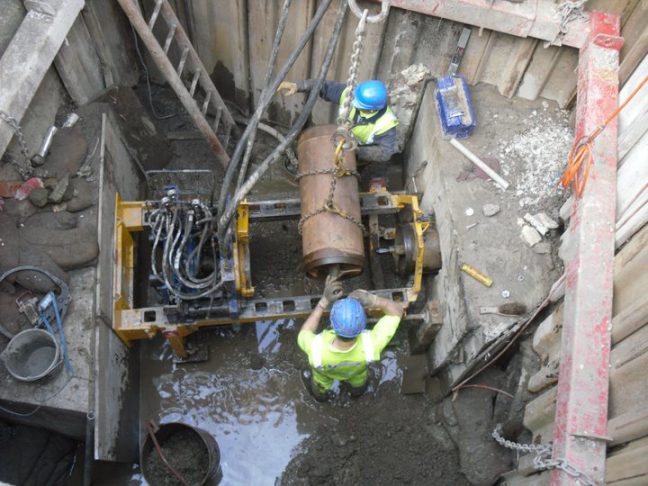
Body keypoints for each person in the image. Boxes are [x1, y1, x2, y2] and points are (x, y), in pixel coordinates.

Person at [297, 275, 404, 401]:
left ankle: (321, 398)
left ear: (332, 323)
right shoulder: (372, 344)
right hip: (357, 374)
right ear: (363, 325)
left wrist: (323, 302)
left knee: (320, 387)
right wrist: (374, 300)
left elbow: (305, 332)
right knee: (359, 385)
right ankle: (356, 394)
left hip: (324, 375)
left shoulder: (315, 347)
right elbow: (397, 312)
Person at [278, 79, 399, 164]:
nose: (353, 103)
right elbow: (324, 86)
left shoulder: (386, 124)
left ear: (372, 110)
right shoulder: (350, 95)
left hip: (361, 152)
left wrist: (356, 150)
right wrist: (299, 85)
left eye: (358, 105)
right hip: (343, 142)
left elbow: (385, 152)